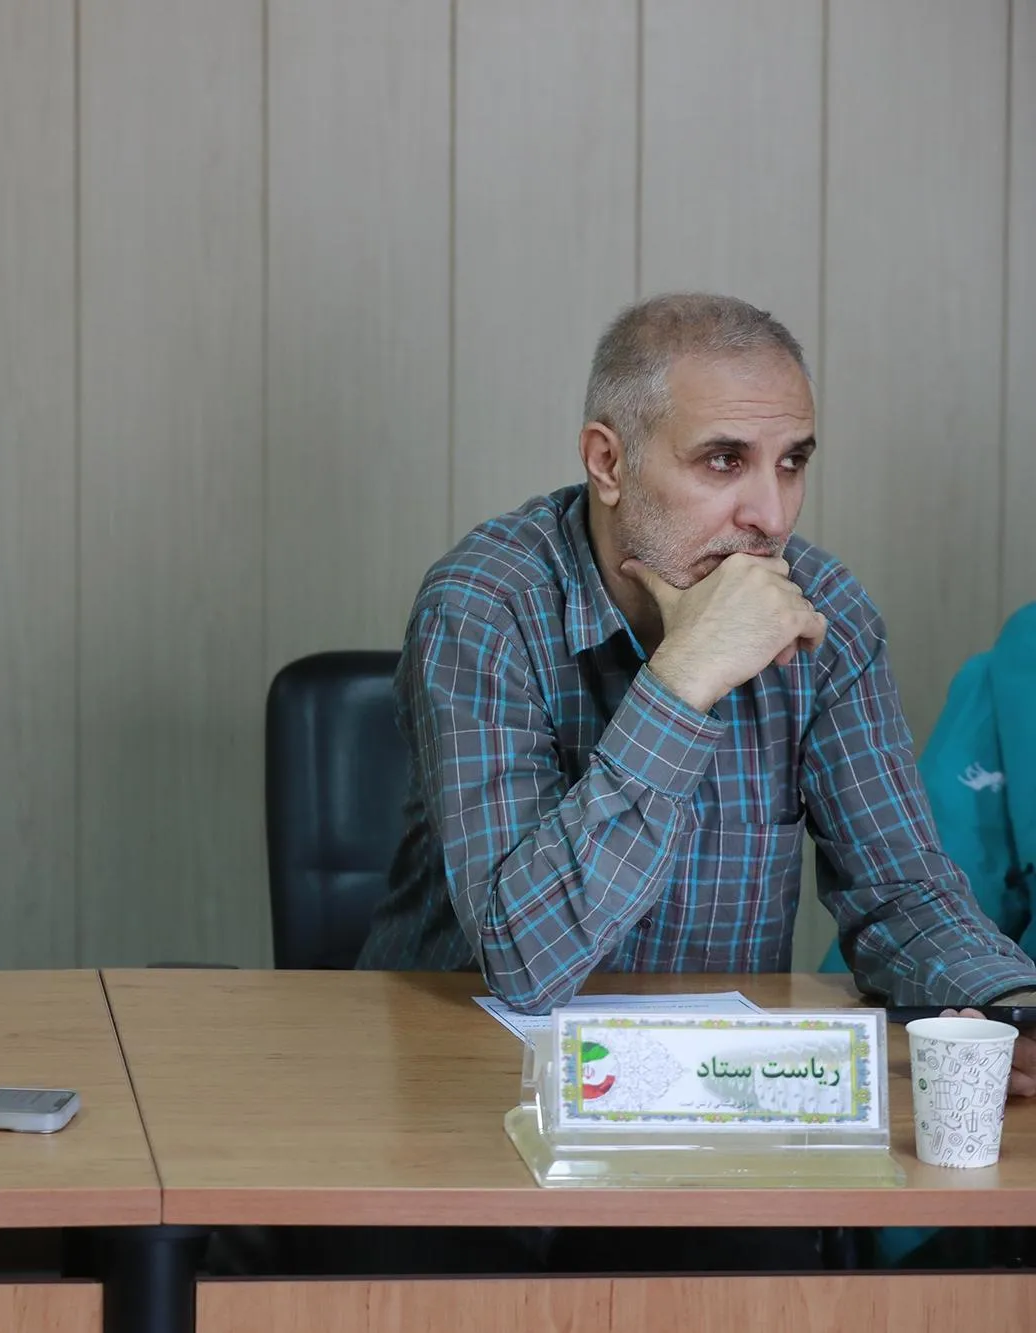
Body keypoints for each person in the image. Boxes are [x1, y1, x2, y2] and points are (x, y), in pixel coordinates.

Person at [359, 293, 1036, 1064]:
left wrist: (1009, 1005)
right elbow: (525, 962)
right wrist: (685, 678)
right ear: (608, 462)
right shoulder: (484, 605)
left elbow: (903, 897)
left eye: (792, 463)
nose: (772, 516)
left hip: (713, 1084)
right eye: (724, 461)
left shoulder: (825, 609)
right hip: (464, 1065)